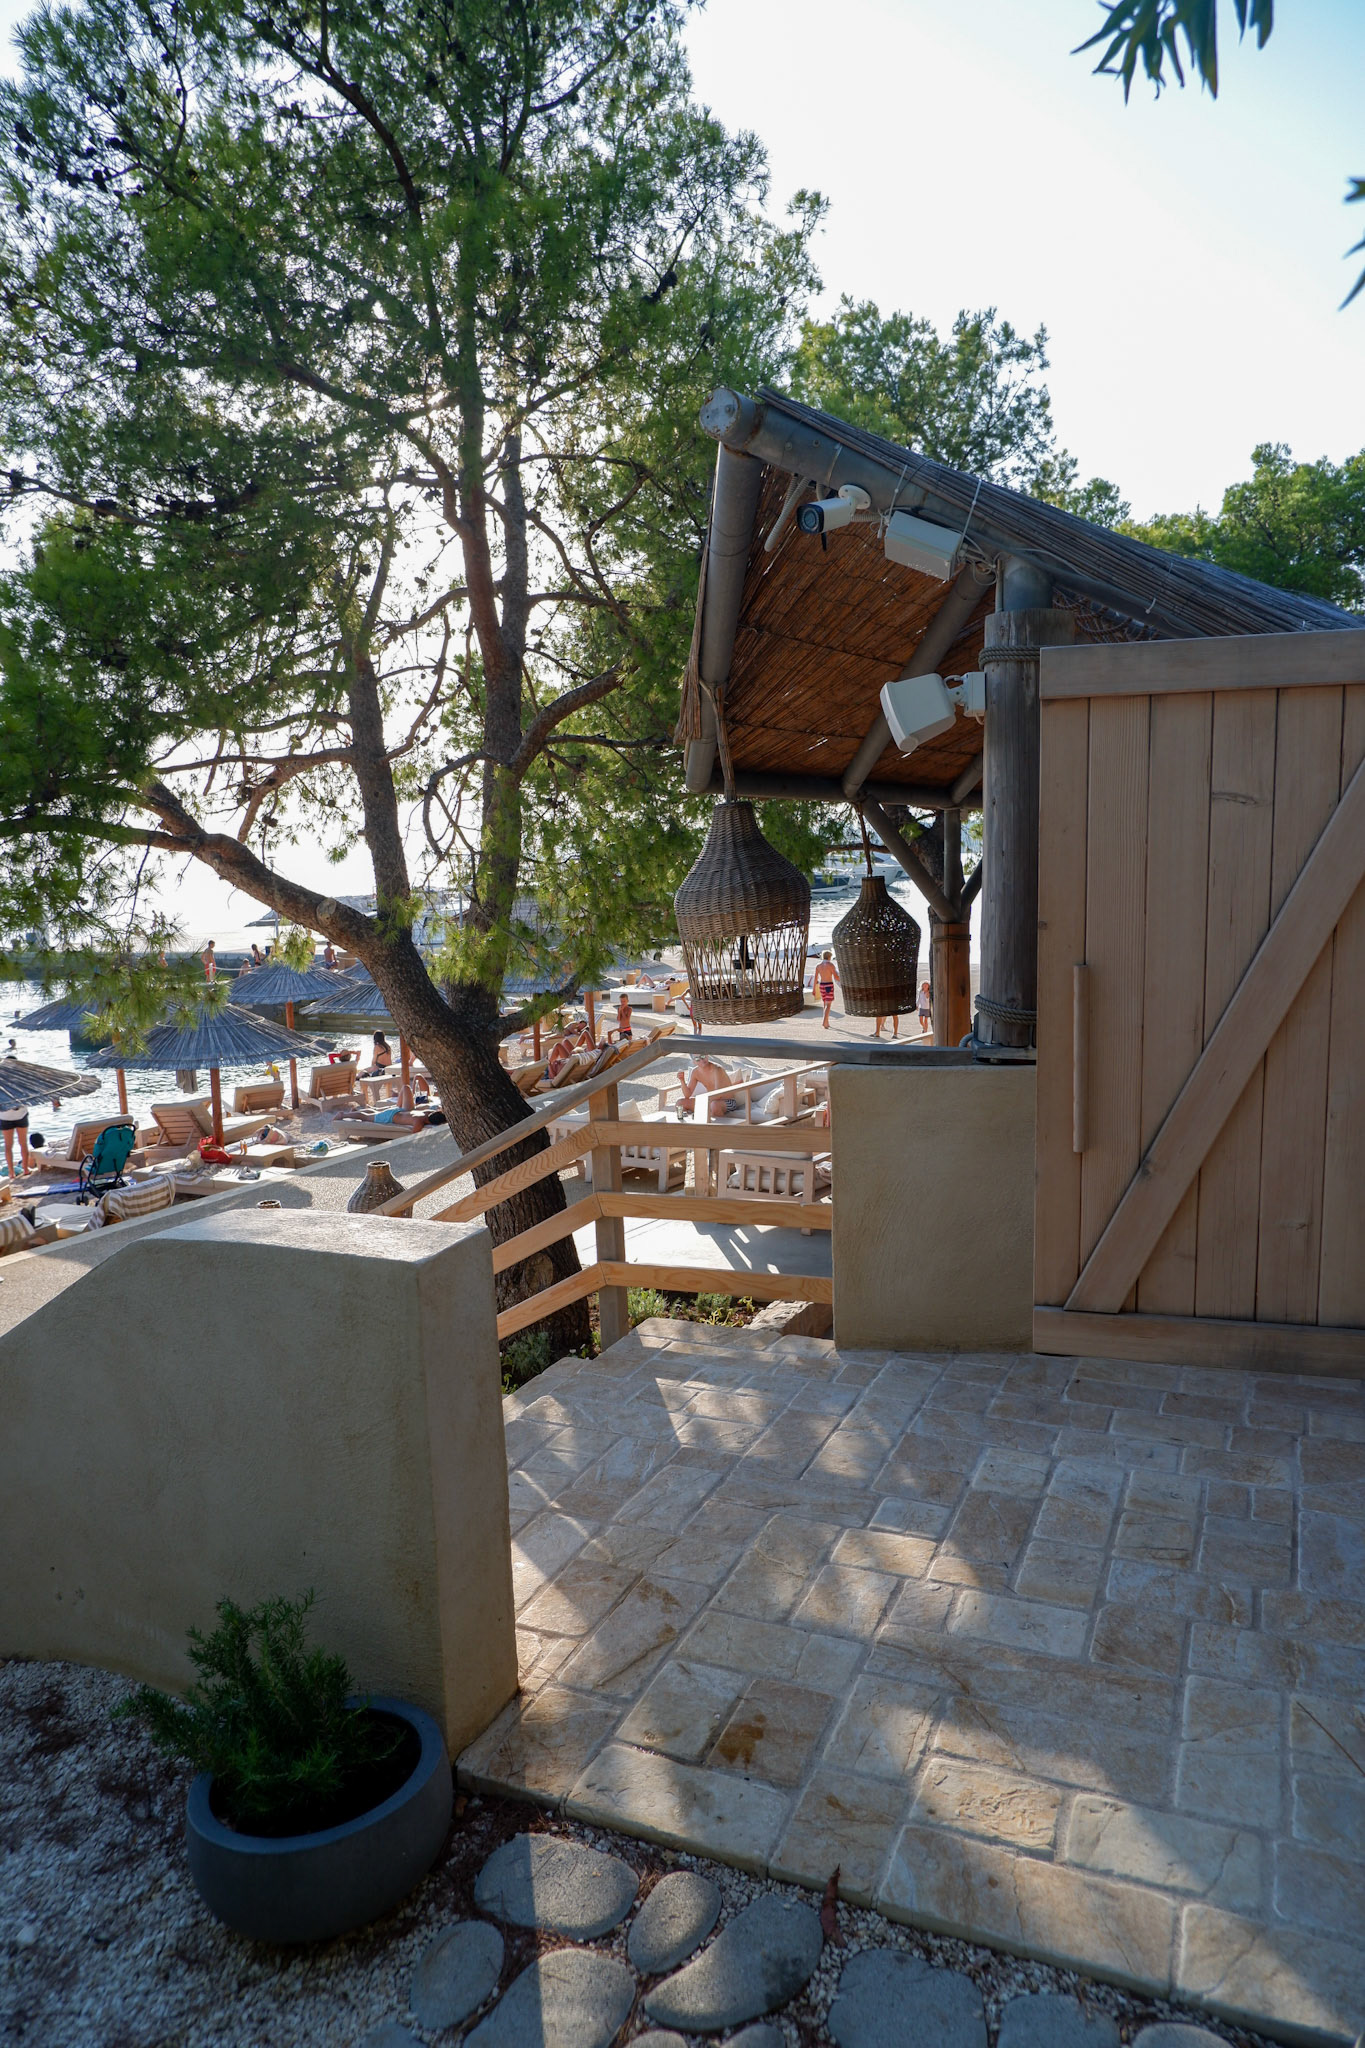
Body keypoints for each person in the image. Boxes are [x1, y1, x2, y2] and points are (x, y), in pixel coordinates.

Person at [812, 951, 840, 1030]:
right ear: (829, 957)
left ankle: (826, 1022)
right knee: (828, 1005)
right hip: (829, 985)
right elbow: (836, 977)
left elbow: (815, 978)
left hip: (822, 985)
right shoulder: (830, 965)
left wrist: (814, 989)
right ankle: (824, 1021)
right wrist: (842, 979)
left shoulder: (818, 966)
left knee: (825, 1003)